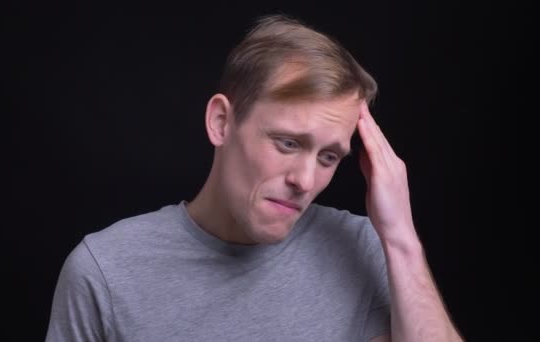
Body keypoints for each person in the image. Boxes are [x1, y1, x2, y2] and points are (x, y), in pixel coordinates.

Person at [45, 14, 463, 342]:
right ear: (222, 122)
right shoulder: (106, 272)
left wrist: (401, 240)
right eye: (287, 143)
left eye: (329, 156)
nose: (305, 180)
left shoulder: (360, 248)